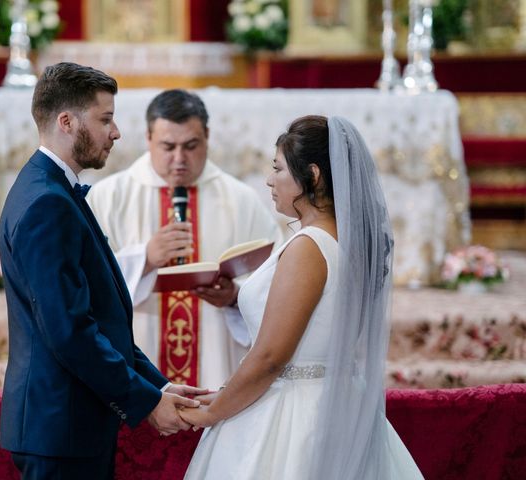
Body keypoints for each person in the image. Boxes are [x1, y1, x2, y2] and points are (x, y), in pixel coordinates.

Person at [179, 115, 425, 479]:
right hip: (339, 401)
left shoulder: (308, 247)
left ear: (311, 175)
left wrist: (214, 413)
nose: (269, 179)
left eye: (278, 168)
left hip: (293, 415)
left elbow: (270, 357)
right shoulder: (349, 241)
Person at [0, 62, 205, 480]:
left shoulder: (49, 188)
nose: (116, 132)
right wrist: (144, 402)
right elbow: (69, 331)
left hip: (68, 422)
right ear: (67, 121)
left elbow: (99, 317)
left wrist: (158, 386)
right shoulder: (47, 203)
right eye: (105, 118)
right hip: (61, 425)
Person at [86, 89, 283, 390]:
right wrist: (145, 258)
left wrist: (235, 296)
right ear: (148, 138)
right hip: (138, 365)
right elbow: (85, 279)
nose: (179, 159)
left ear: (207, 135)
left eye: (191, 146)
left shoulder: (241, 200)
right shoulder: (109, 196)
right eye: (168, 146)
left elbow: (278, 278)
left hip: (218, 368)